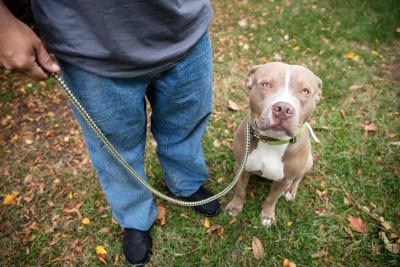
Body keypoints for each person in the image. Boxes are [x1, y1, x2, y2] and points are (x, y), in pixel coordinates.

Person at [0, 1, 220, 265]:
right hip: (89, 49)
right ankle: (135, 216)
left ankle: (185, 182)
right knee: (115, 148)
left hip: (184, 29)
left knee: (186, 121)